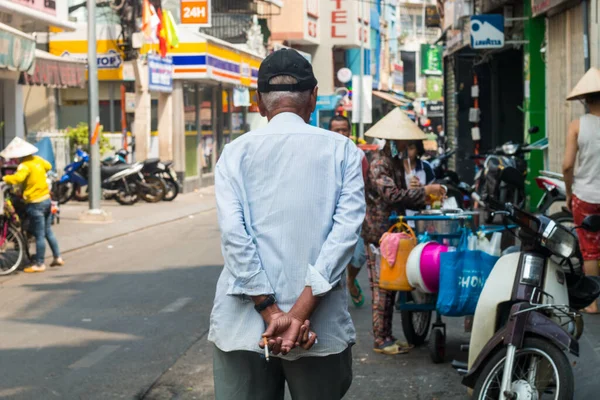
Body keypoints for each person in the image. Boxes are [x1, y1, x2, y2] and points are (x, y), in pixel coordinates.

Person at [209, 49, 365, 400]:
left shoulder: (234, 153)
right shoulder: (344, 152)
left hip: (243, 326)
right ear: (313, 97)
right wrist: (298, 314)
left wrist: (270, 311)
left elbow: (235, 237)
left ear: (259, 103)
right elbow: (343, 239)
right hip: (318, 328)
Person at [361, 108, 446, 355]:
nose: (407, 146)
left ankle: (388, 335)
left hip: (392, 231)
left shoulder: (395, 163)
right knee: (381, 287)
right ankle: (381, 339)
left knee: (391, 286)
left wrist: (424, 193)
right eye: (404, 142)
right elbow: (393, 195)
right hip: (378, 232)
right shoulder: (379, 163)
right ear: (394, 141)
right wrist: (426, 191)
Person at [563, 67, 600, 314]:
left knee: (589, 248)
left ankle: (591, 302)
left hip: (585, 195)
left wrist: (568, 193)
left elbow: (567, 165)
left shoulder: (577, 126)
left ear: (585, 100)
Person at [0, 137, 63, 273]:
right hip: (46, 200)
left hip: (35, 203)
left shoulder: (25, 165)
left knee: (39, 234)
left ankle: (39, 263)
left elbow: (18, 178)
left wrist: (4, 178)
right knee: (47, 232)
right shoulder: (38, 160)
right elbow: (49, 166)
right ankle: (57, 257)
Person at [329, 115, 367, 307]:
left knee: (359, 254)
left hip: (355, 214)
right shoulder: (323, 153)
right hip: (329, 215)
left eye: (344, 130)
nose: (341, 134)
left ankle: (350, 279)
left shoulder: (359, 155)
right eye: (337, 130)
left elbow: (366, 185)